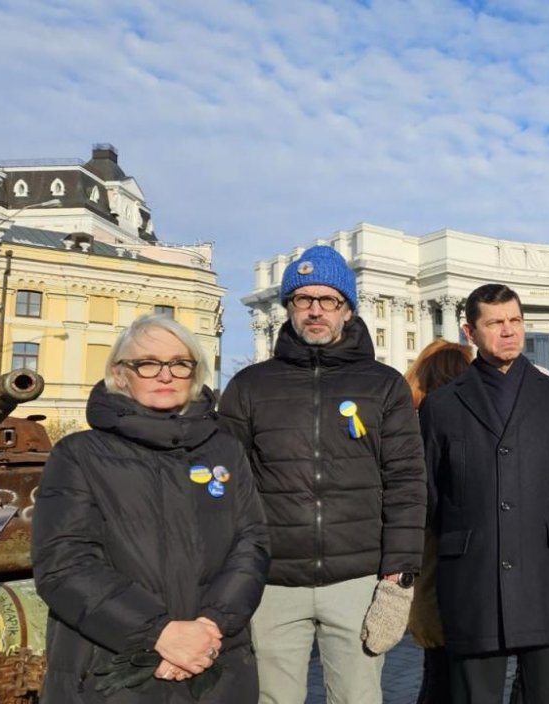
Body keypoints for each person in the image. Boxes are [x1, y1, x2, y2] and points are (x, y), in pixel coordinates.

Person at [218, 245, 426, 704]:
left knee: (357, 697)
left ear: (347, 309)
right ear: (288, 308)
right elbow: (227, 485)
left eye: (328, 300)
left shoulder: (383, 385)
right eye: (303, 299)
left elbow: (407, 482)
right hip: (272, 582)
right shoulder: (250, 387)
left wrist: (400, 576)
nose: (315, 310)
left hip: (358, 579)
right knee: (272, 698)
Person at [32, 314, 269, 702]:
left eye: (180, 363)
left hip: (215, 660)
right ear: (120, 373)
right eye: (148, 363)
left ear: (194, 373)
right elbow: (64, 564)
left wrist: (209, 627)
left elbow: (251, 544)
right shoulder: (79, 454)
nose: (165, 375)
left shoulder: (224, 449)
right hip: (113, 667)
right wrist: (159, 633)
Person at [418, 283, 549, 704]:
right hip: (473, 579)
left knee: (547, 695)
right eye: (495, 323)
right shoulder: (441, 407)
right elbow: (430, 492)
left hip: (545, 574)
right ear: (469, 331)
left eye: (515, 320)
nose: (509, 331)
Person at [404, 339, 474, 704]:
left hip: (428, 574)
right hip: (453, 573)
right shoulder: (447, 424)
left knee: (438, 675)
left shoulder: (407, 424)